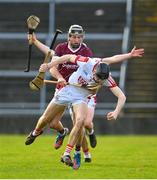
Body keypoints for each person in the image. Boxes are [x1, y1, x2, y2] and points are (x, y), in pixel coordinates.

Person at [25, 46, 144, 169]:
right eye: (97, 77)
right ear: (94, 71)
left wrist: (116, 112)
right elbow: (67, 57)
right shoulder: (87, 62)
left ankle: (67, 154)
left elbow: (122, 96)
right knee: (46, 119)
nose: (98, 81)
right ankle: (35, 133)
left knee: (81, 120)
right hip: (68, 90)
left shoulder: (105, 78)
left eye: (101, 80)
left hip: (81, 97)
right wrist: (49, 66)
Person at [29, 25, 96, 163]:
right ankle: (62, 132)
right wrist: (60, 78)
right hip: (63, 89)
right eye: (74, 36)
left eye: (79, 37)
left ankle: (84, 153)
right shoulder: (61, 48)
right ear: (69, 37)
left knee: (81, 124)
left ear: (82, 37)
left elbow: (90, 71)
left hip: (78, 91)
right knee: (52, 123)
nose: (77, 39)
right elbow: (53, 66)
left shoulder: (86, 51)